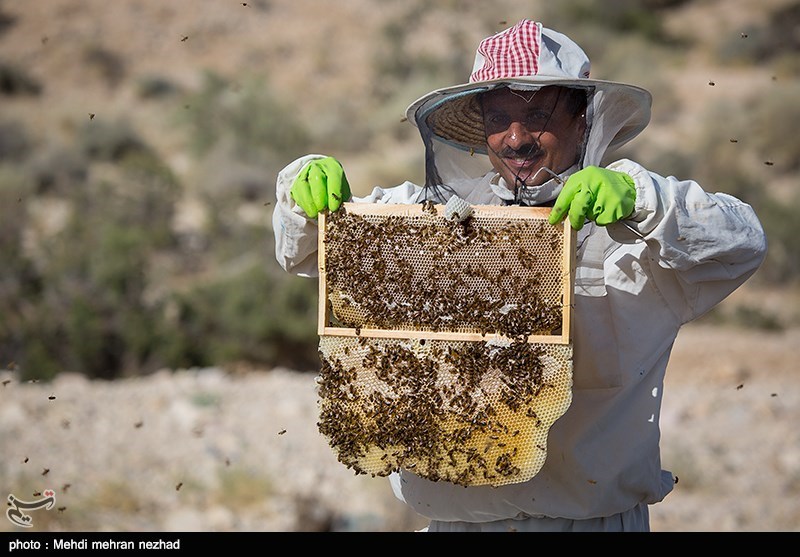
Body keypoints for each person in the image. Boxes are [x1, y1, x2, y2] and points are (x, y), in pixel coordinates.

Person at [271, 19, 767, 532]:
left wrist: (645, 199)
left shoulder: (639, 231)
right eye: (499, 117)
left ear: (584, 122)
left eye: (537, 115)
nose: (516, 138)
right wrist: (301, 187)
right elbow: (307, 249)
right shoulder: (433, 224)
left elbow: (743, 242)